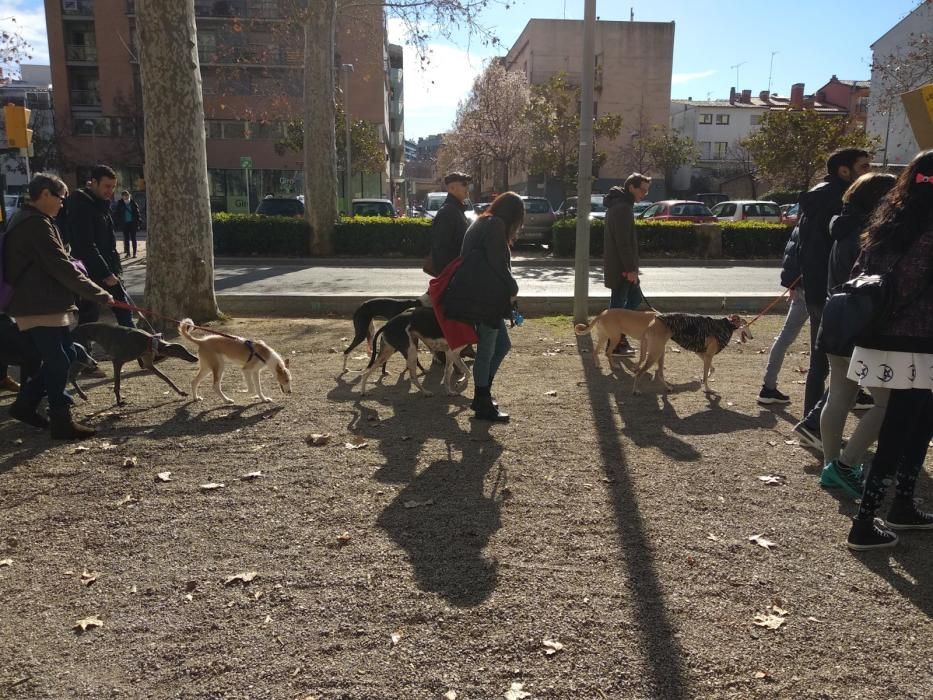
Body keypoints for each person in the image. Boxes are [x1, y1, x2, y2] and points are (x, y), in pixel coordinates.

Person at [842, 150, 933, 550]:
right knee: (906, 425)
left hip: (881, 335)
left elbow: (857, 274)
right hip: (918, 340)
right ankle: (871, 519)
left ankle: (897, 507)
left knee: (907, 422)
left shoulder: (887, 222)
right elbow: (913, 278)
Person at [4, 173, 113, 439]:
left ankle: (26, 403)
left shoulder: (34, 220)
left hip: (46, 303)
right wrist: (99, 293)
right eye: (60, 198)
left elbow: (57, 263)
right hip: (39, 304)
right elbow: (60, 266)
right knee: (58, 360)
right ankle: (59, 420)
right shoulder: (35, 224)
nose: (62, 204)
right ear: (44, 194)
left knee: (68, 355)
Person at [817, 172, 896, 497]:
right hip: (864, 328)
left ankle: (831, 464)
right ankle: (845, 464)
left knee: (839, 396)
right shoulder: (874, 235)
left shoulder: (842, 229)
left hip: (836, 321)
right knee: (886, 402)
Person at [793, 148, 871, 449]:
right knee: (844, 363)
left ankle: (813, 424)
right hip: (835, 292)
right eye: (864, 165)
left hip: (818, 289)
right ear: (844, 170)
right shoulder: (843, 202)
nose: (869, 170)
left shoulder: (818, 197)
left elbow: (800, 243)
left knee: (821, 361)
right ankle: (815, 424)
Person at [443, 191, 523, 423]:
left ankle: (483, 393)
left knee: (502, 345)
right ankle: (482, 400)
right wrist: (513, 287)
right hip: (485, 299)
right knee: (487, 349)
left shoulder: (483, 221)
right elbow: (498, 263)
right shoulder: (495, 225)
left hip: (480, 295)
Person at [64, 164, 133, 328]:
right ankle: (82, 350)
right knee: (89, 316)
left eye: (113, 187)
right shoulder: (81, 206)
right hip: (89, 271)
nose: (110, 191)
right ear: (93, 182)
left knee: (124, 310)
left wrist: (114, 269)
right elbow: (85, 245)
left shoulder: (102, 204)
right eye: (107, 186)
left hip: (108, 267)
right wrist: (106, 273)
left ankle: (141, 347)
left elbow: (108, 242)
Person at [603, 173, 651, 356]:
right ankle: (615, 342)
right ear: (631, 187)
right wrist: (630, 269)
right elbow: (623, 243)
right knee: (619, 303)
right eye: (642, 190)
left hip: (620, 266)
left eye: (646, 190)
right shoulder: (623, 208)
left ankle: (618, 338)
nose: (644, 194)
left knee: (630, 300)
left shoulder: (619, 205)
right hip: (622, 268)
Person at [757, 222, 805, 404]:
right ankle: (851, 392)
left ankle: (768, 387)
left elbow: (790, 254)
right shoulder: (828, 217)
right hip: (818, 289)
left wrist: (790, 283)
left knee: (784, 337)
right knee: (830, 343)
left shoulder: (802, 223)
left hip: (799, 287)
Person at [429, 172, 471, 275]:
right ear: (451, 188)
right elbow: (440, 249)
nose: (467, 188)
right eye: (464, 184)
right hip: (454, 277)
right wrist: (450, 277)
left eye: (467, 185)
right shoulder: (447, 212)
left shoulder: (457, 210)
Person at [114, 190, 142, 258]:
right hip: (125, 224)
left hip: (133, 223)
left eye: (127, 195)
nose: (126, 197)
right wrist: (118, 222)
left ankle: (134, 253)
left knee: (133, 238)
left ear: (129, 195)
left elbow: (137, 213)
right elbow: (117, 213)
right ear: (122, 196)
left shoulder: (133, 203)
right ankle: (128, 253)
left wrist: (138, 222)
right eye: (124, 195)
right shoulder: (120, 203)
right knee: (126, 239)